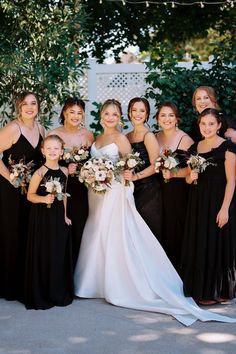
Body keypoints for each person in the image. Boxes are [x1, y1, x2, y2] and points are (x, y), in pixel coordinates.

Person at [74, 99, 236, 326]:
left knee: (124, 235)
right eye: (107, 113)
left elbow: (140, 166)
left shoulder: (132, 138)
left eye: (115, 113)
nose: (111, 117)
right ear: (102, 116)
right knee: (98, 233)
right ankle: (95, 280)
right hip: (98, 193)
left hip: (129, 190)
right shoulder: (109, 137)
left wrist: (132, 177)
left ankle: (124, 281)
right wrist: (91, 173)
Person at [180, 108, 236, 305]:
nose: (207, 127)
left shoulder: (228, 148)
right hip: (199, 202)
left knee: (218, 242)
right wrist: (189, 177)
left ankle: (221, 290)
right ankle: (204, 291)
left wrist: (225, 209)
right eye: (203, 124)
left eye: (211, 124)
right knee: (202, 242)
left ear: (219, 126)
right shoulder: (195, 148)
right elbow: (188, 177)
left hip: (219, 201)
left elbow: (232, 181)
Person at [0, 91, 45, 302]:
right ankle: (8, 287)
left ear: (38, 107)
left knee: (28, 233)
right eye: (25, 104)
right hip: (11, 190)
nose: (30, 107)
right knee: (11, 234)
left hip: (31, 192)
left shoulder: (41, 128)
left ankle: (24, 283)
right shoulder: (12, 128)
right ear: (19, 106)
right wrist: (11, 177)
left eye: (33, 103)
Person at [25, 135, 74, 310]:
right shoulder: (39, 173)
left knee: (57, 252)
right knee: (44, 252)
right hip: (42, 217)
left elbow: (65, 195)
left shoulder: (65, 171)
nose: (53, 151)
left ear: (62, 151)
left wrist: (65, 215)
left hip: (58, 216)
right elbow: (30, 196)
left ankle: (57, 291)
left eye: (56, 148)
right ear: (43, 151)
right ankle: (43, 292)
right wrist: (44, 199)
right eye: (49, 148)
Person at [48, 97, 94, 268]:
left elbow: (93, 162)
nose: (75, 116)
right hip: (62, 188)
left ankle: (77, 272)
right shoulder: (54, 134)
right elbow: (47, 163)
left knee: (80, 228)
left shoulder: (88, 134)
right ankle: (61, 272)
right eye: (71, 112)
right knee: (62, 228)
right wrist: (65, 169)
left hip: (82, 189)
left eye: (79, 113)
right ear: (64, 113)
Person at [155, 102, 193, 271]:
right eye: (163, 115)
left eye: (171, 115)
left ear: (177, 118)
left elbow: (192, 170)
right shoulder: (154, 137)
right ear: (157, 119)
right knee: (160, 228)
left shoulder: (185, 139)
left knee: (176, 229)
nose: (167, 119)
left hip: (178, 192)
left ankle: (179, 272)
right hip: (158, 190)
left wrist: (173, 174)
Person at [125, 97, 162, 240]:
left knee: (149, 230)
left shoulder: (148, 136)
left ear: (146, 115)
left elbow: (156, 165)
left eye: (142, 110)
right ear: (129, 113)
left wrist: (136, 176)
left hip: (149, 190)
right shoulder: (127, 136)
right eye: (134, 110)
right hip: (131, 189)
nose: (138, 114)